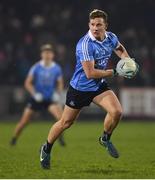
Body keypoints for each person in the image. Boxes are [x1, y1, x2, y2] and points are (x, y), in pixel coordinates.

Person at [39, 9, 138, 169]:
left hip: (98, 86)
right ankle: (46, 148)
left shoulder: (111, 37)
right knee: (65, 122)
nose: (95, 27)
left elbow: (119, 48)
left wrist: (127, 62)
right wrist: (115, 71)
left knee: (117, 112)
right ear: (89, 25)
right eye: (92, 24)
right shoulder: (85, 44)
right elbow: (90, 73)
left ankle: (105, 138)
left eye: (99, 24)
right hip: (80, 88)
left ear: (106, 25)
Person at [10, 44, 66, 146]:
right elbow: (27, 83)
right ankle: (14, 139)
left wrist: (57, 94)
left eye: (49, 52)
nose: (47, 54)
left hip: (50, 98)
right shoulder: (36, 67)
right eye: (45, 52)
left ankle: (60, 139)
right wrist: (35, 94)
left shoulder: (56, 68)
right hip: (37, 99)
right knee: (24, 121)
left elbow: (60, 83)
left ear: (52, 55)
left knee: (61, 119)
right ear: (41, 54)